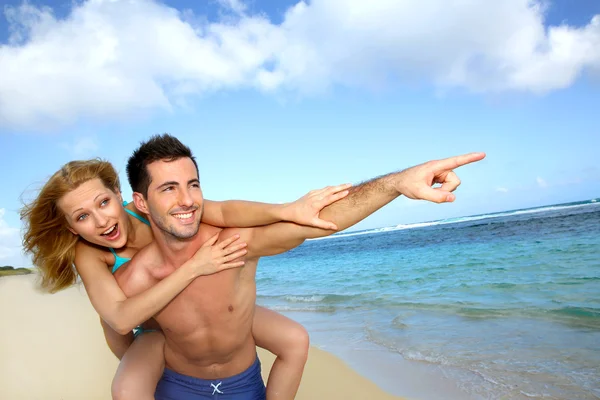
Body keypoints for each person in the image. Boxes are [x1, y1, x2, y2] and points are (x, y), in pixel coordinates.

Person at [116, 133, 486, 399]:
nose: (187, 200)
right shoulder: (137, 277)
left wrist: (397, 183)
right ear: (142, 202)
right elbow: (119, 333)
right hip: (178, 388)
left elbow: (316, 222)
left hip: (245, 385)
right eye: (168, 189)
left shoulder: (229, 243)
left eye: (193, 185)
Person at [20, 158, 351, 400]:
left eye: (104, 203)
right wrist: (195, 267)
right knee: (126, 389)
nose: (101, 221)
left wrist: (286, 210)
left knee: (294, 339)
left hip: (201, 309)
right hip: (153, 327)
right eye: (82, 217)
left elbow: (221, 211)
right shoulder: (89, 253)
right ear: (71, 227)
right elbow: (120, 320)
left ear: (121, 195)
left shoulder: (154, 207)